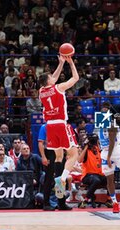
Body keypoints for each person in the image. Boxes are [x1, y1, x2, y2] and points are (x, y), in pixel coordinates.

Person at [38, 55, 80, 203]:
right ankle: (62, 179)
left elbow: (51, 79)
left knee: (59, 157)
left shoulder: (41, 91)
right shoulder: (59, 88)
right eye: (51, 77)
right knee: (74, 154)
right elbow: (75, 78)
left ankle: (60, 192)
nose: (53, 77)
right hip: (61, 124)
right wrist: (70, 63)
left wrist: (61, 63)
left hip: (50, 126)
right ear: (49, 81)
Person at [77, 134, 112, 208]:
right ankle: (85, 200)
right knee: (96, 180)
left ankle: (109, 200)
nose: (94, 143)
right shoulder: (86, 150)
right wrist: (86, 146)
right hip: (87, 175)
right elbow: (79, 160)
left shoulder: (99, 150)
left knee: (110, 178)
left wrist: (98, 144)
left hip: (99, 174)